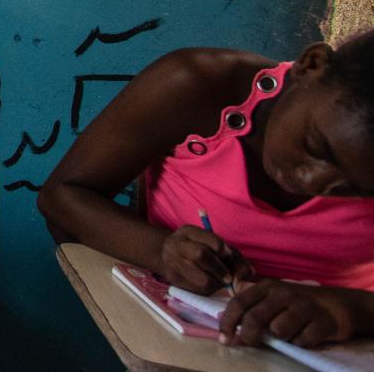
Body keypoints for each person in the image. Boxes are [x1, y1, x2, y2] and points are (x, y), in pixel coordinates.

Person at [40, 35, 374, 350]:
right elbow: (63, 195)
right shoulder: (198, 86)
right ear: (312, 64)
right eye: (317, 147)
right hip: (178, 346)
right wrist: (160, 251)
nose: (312, 181)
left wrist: (352, 310)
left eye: (354, 190)